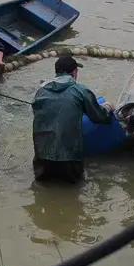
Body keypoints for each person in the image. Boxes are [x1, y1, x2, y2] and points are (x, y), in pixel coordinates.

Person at [32, 55, 112, 183]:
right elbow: (100, 117)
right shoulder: (81, 91)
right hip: (69, 159)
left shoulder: (40, 91)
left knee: (42, 188)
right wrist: (108, 107)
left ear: (56, 72)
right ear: (74, 72)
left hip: (42, 157)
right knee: (75, 190)